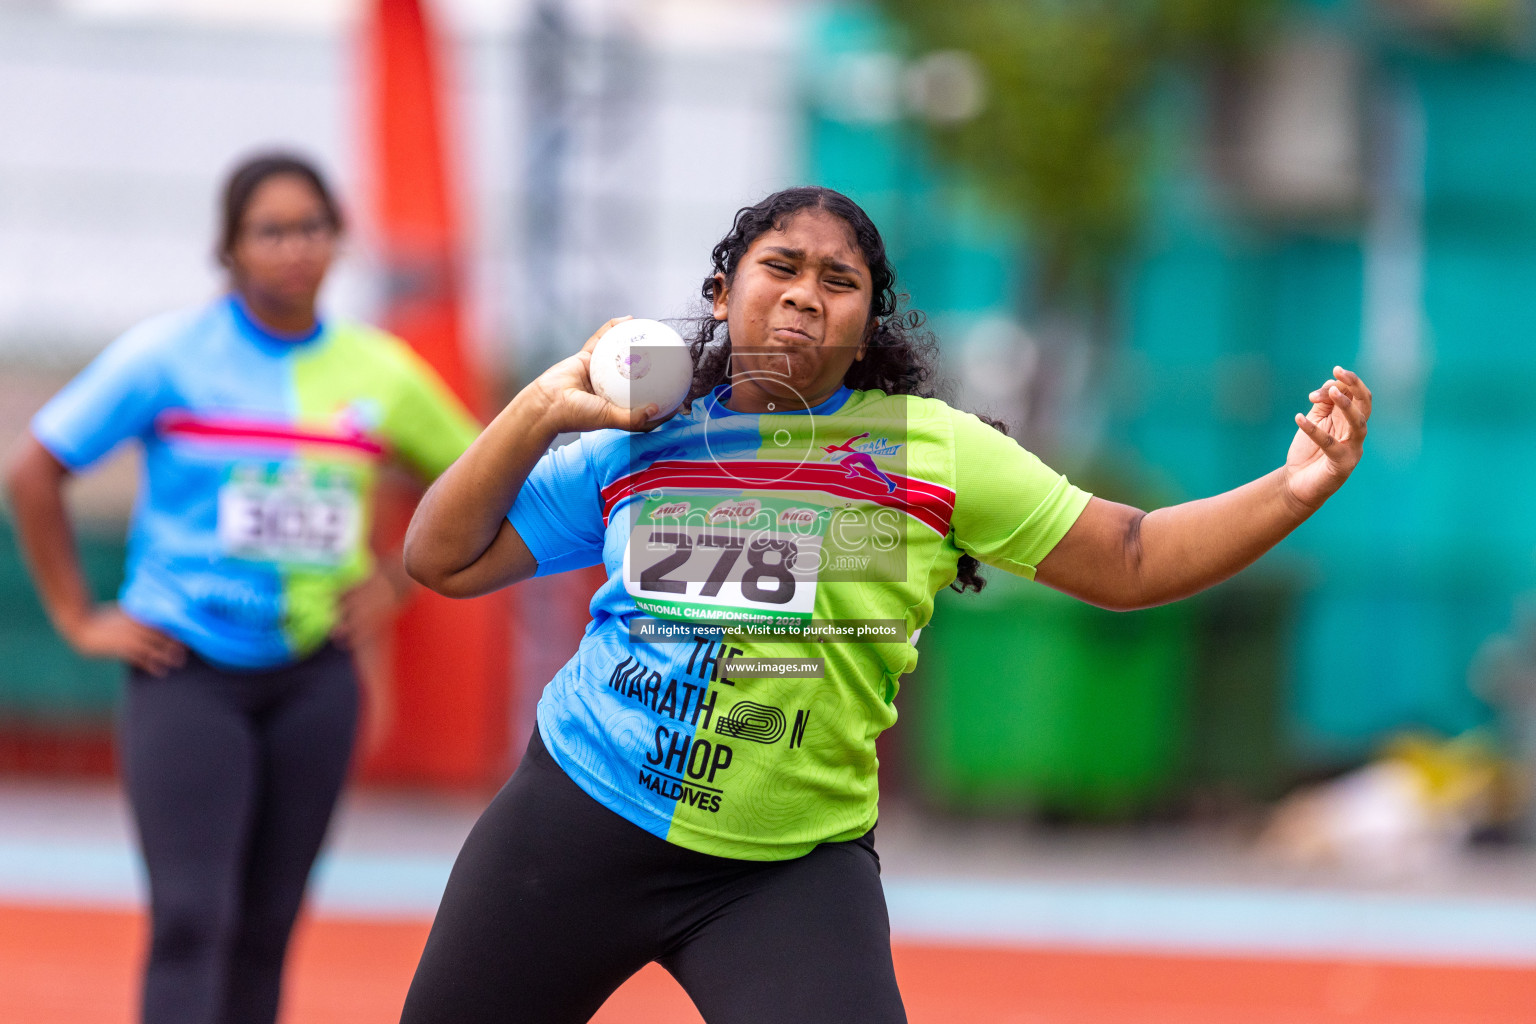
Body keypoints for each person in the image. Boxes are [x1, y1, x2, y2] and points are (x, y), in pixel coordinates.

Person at [398, 186, 1371, 1024]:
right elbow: (440, 557)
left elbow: (1130, 557)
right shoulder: (638, 441)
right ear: (722, 292)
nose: (804, 296)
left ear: (869, 322)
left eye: (838, 281)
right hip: (581, 818)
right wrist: (544, 404)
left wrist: (1293, 488)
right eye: (780, 266)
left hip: (781, 868)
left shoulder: (931, 451)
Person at [4, 152, 481, 1024]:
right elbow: (34, 473)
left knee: (267, 928)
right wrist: (77, 619)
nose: (293, 248)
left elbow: (477, 480)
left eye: (311, 228)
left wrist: (395, 584)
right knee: (193, 918)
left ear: (338, 242)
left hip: (314, 674)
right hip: (185, 665)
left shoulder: (380, 371)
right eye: (270, 231)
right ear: (229, 249)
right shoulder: (168, 356)